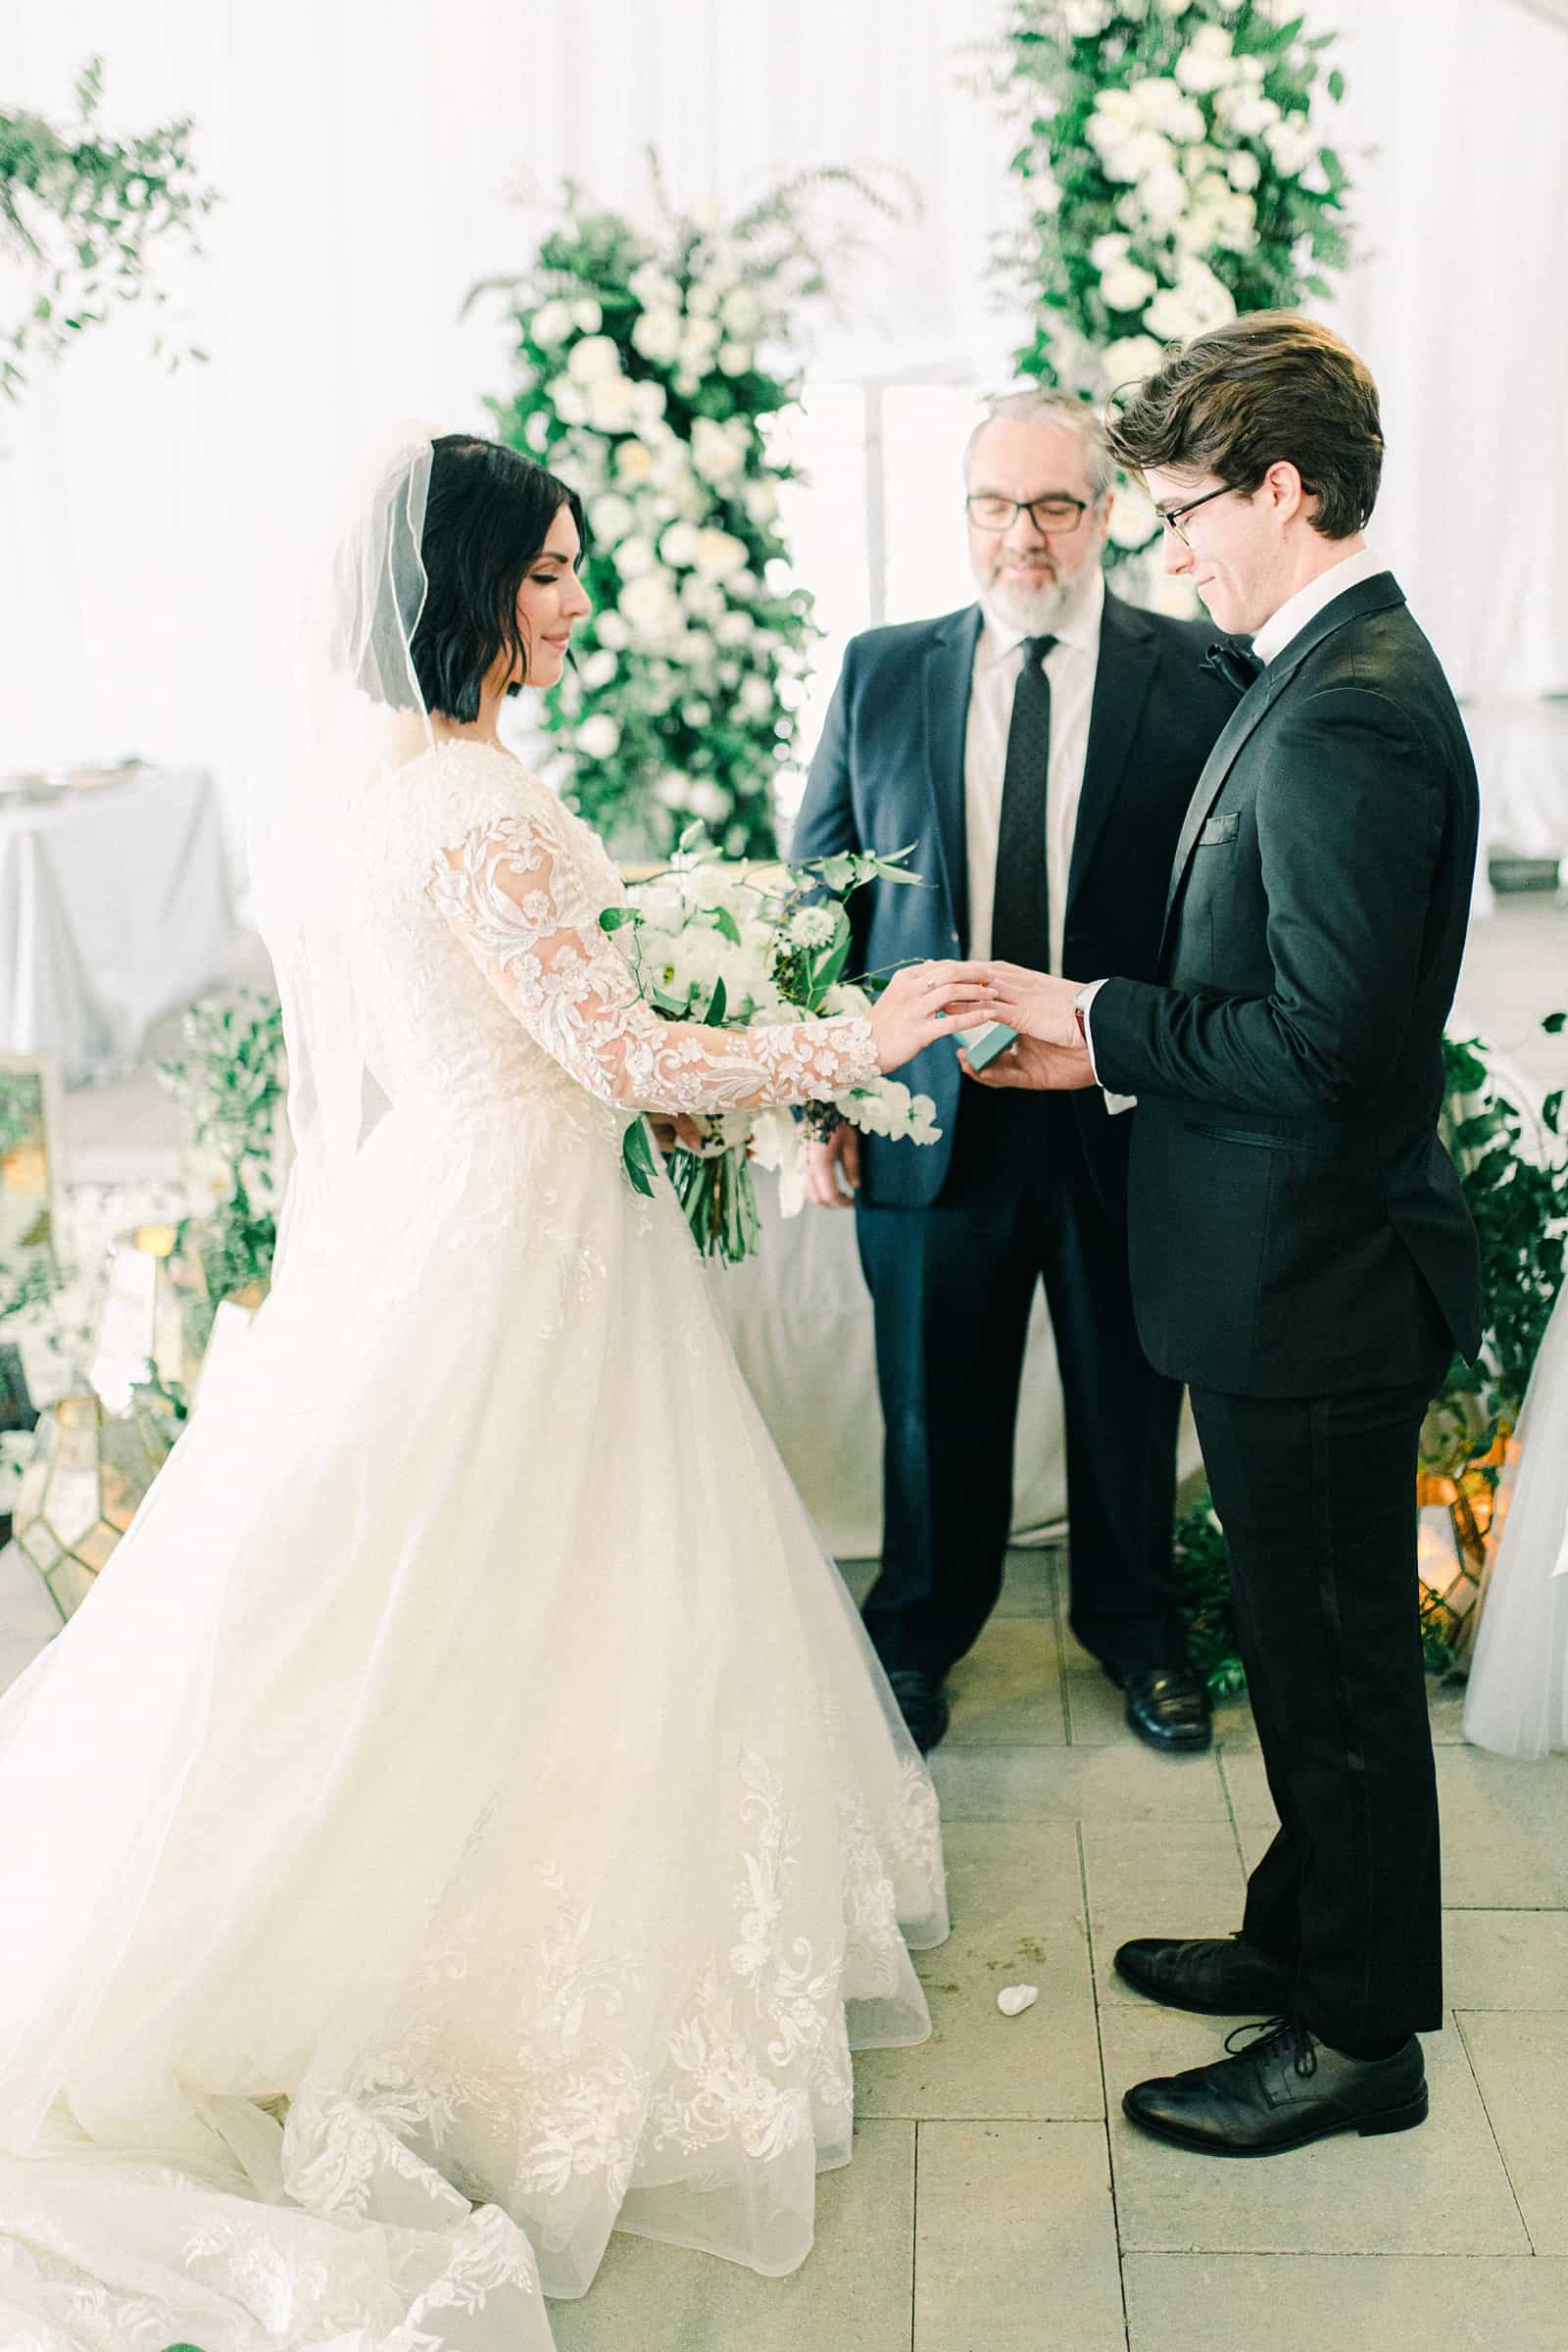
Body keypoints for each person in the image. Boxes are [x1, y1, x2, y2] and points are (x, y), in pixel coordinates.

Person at [0, 432, 985, 2345]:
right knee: (538, 1576)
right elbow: (614, 1053)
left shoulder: (387, 800)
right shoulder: (480, 811)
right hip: (523, 1230)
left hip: (460, 1203)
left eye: (573, 569)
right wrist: (849, 1038)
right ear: (460, 590)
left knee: (492, 1586)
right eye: (545, 573)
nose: (574, 602)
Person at [957, 315, 1483, 2156]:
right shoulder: (1321, 656)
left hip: (1321, 1285)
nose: (1167, 549)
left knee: (1337, 1686)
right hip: (1289, 1273)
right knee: (1300, 1643)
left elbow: (1330, 1053)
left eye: (1184, 511)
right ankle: (1300, 1932)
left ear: (1284, 486)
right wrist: (1096, 1037)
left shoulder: (1349, 702)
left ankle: (1357, 2045)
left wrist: (1093, 1016)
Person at [792, 387, 1233, 1757]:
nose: (1021, 537)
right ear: (967, 514)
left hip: (1116, 1111)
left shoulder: (1198, 672)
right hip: (935, 1115)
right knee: (933, 1402)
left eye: (1053, 505)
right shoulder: (880, 669)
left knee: (1125, 1395)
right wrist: (821, 1092)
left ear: (1106, 515)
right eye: (996, 504)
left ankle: (1142, 1634)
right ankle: (919, 1636)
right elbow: (820, 904)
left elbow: (1217, 918)